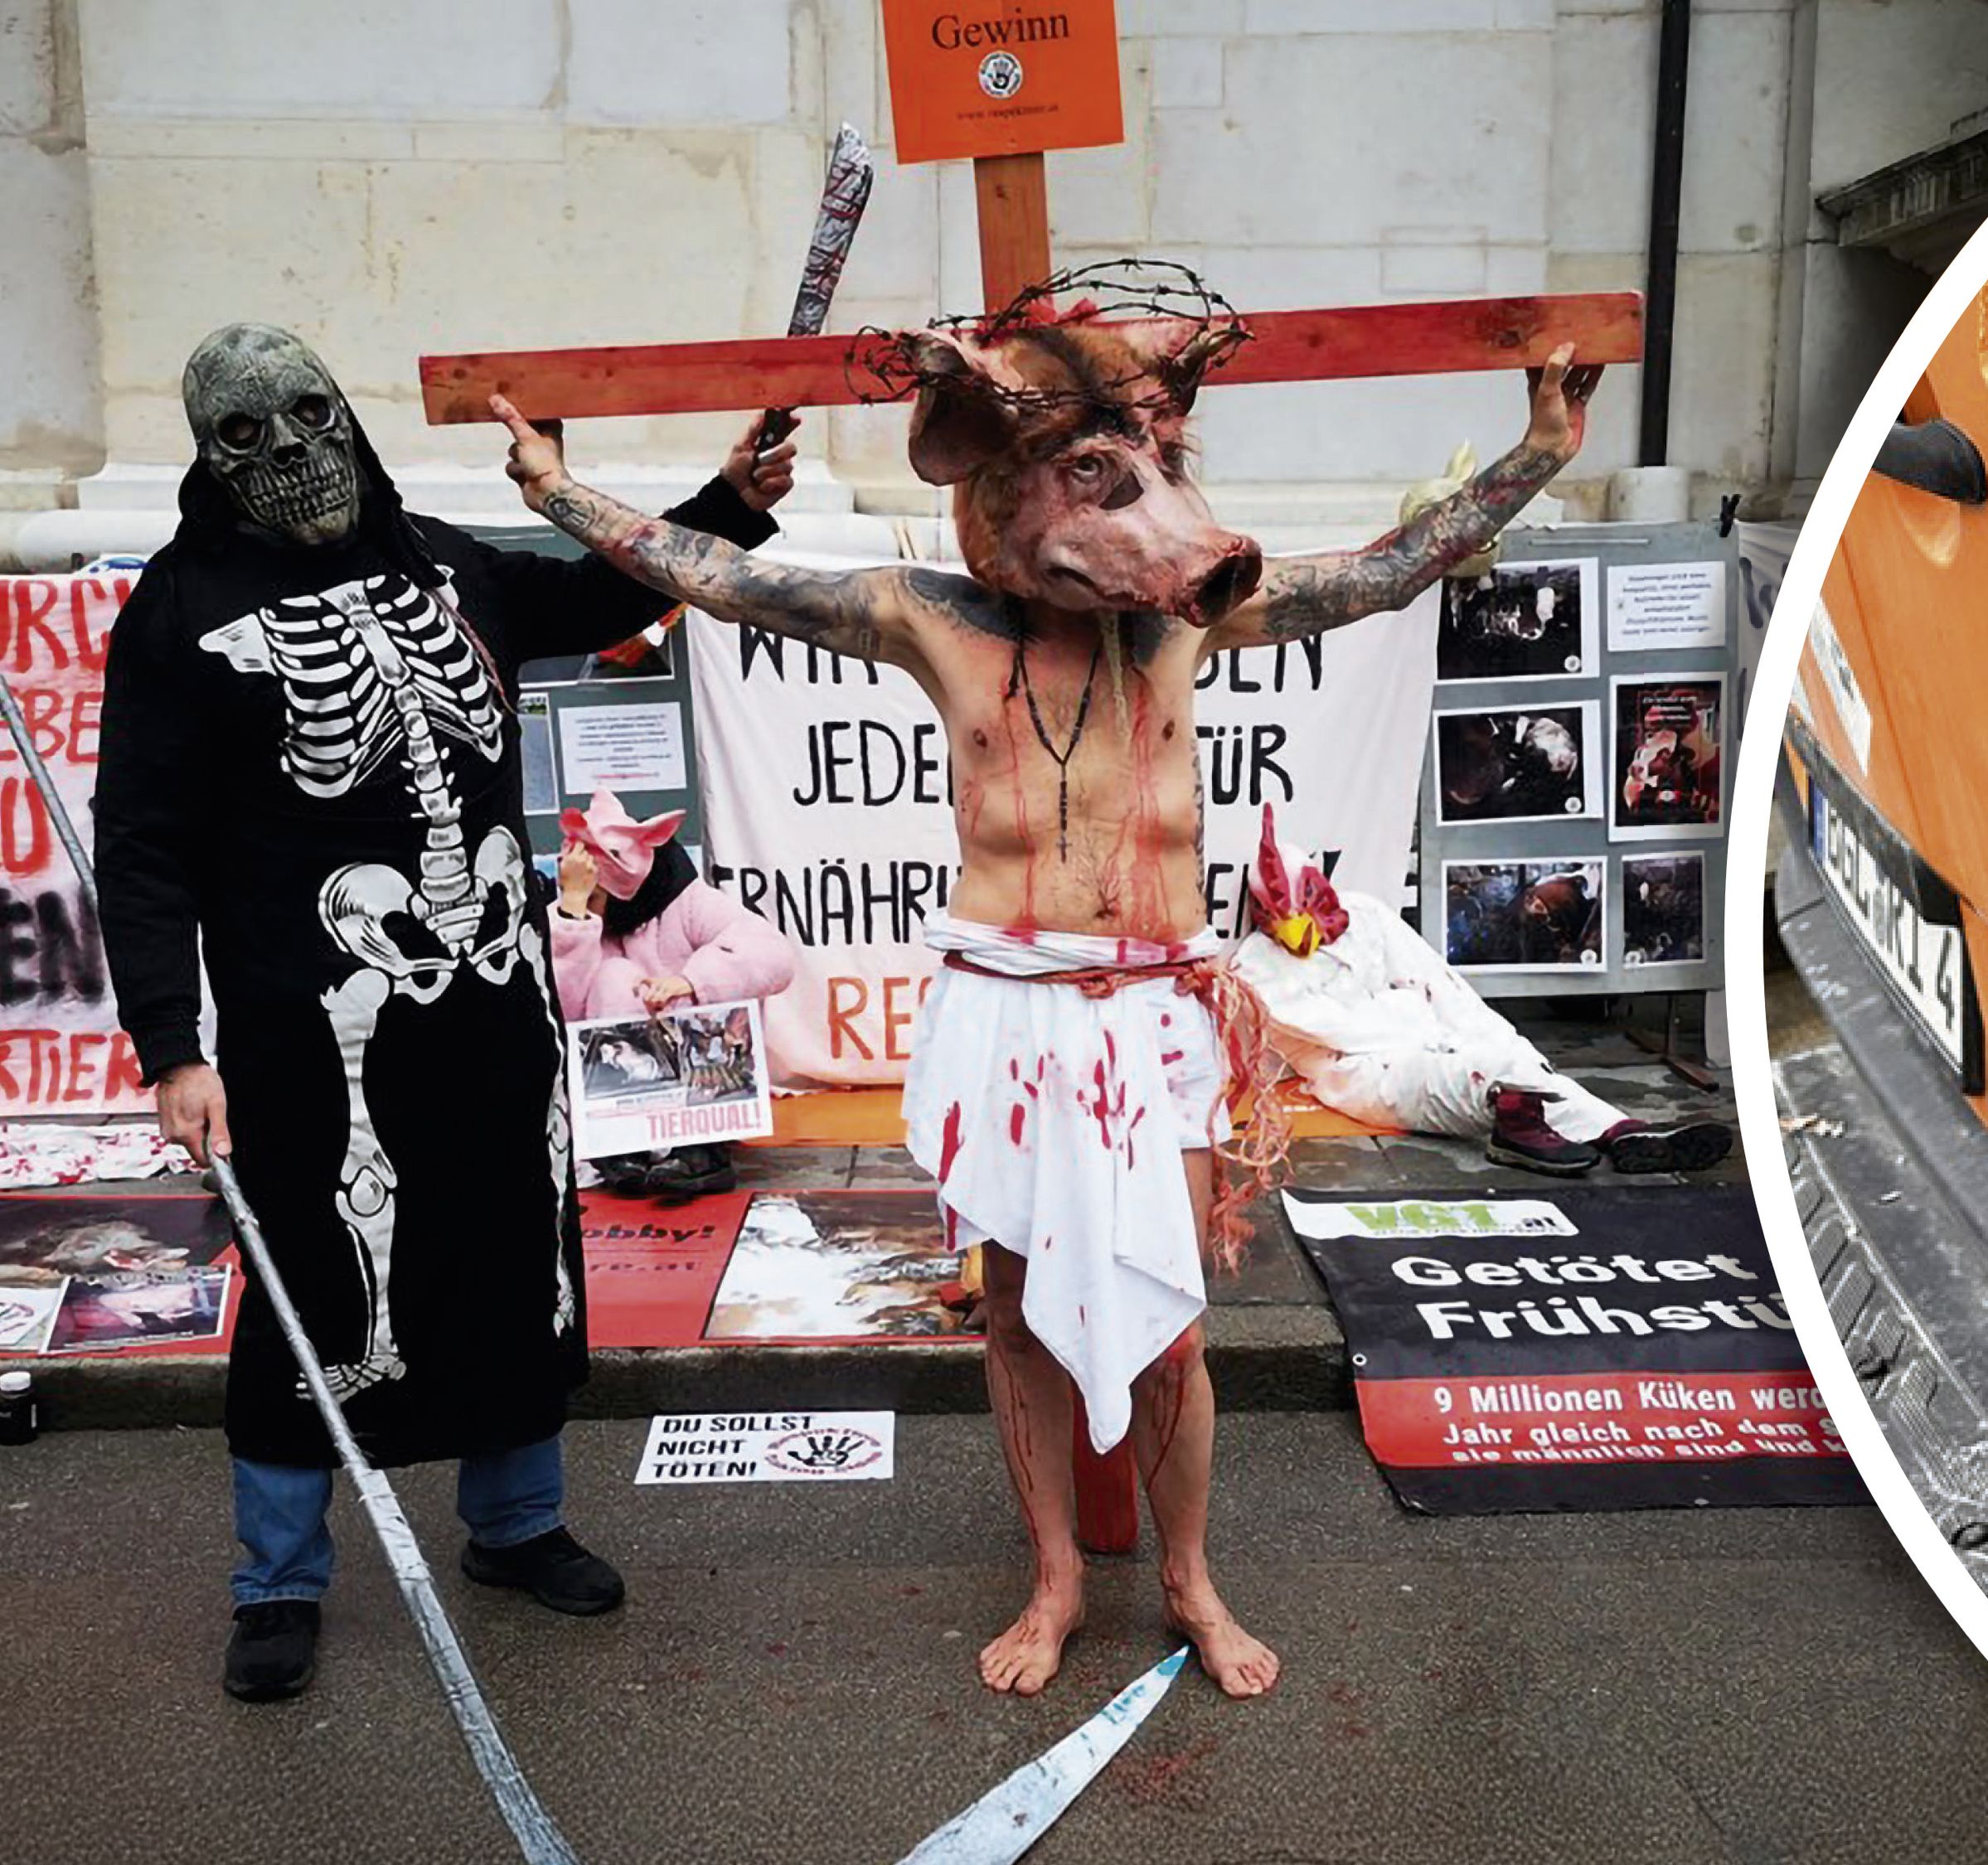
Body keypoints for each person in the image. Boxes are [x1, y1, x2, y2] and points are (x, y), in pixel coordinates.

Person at [487, 274, 1598, 1702]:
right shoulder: (927, 616)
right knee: (1010, 1311)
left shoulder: (1193, 623)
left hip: (1153, 1014)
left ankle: (1191, 1581)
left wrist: (1537, 455)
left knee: (1179, 1317)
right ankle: (1060, 1579)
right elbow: (722, 577)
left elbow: (1383, 572)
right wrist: (558, 493)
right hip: (1003, 1010)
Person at [93, 322, 797, 1705]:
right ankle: (279, 1581)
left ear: (345, 413)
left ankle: (517, 1523)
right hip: (318, 1030)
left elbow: (596, 599)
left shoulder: (439, 559)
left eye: (307, 414)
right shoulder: (179, 611)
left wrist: (729, 510)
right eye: (247, 436)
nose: (291, 454)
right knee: (308, 1286)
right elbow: (143, 843)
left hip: (492, 1007)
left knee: (509, 1255)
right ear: (208, 461)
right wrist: (173, 1045)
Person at [1231, 812, 1733, 1177]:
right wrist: (1412, 1015)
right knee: (1464, 1076)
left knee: (1516, 1057)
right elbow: (1337, 1032)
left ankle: (1620, 1131)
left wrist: (1486, 1030)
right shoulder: (1255, 967)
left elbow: (1435, 982)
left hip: (1429, 1033)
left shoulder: (1365, 916)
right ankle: (1516, 1127)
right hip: (1361, 1071)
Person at [550, 787, 802, 1195]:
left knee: (696, 976)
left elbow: (775, 957)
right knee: (614, 976)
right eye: (583, 898)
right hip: (618, 1088)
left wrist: (693, 982)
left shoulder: (687, 903)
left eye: (597, 899)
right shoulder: (571, 919)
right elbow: (559, 1011)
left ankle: (700, 1150)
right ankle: (625, 1143)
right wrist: (574, 913)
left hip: (698, 1078)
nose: (591, 910)